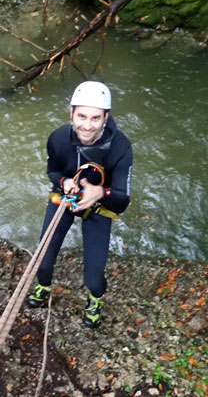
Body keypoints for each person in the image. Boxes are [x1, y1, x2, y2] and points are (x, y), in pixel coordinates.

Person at [26, 82, 134, 328]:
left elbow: (122, 201)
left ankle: (96, 299)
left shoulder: (121, 148)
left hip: (99, 206)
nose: (87, 125)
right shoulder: (58, 138)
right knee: (43, 260)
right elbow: (52, 170)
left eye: (95, 118)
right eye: (81, 116)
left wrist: (100, 192)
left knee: (94, 278)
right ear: (71, 113)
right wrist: (64, 181)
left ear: (106, 117)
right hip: (65, 197)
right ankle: (43, 286)